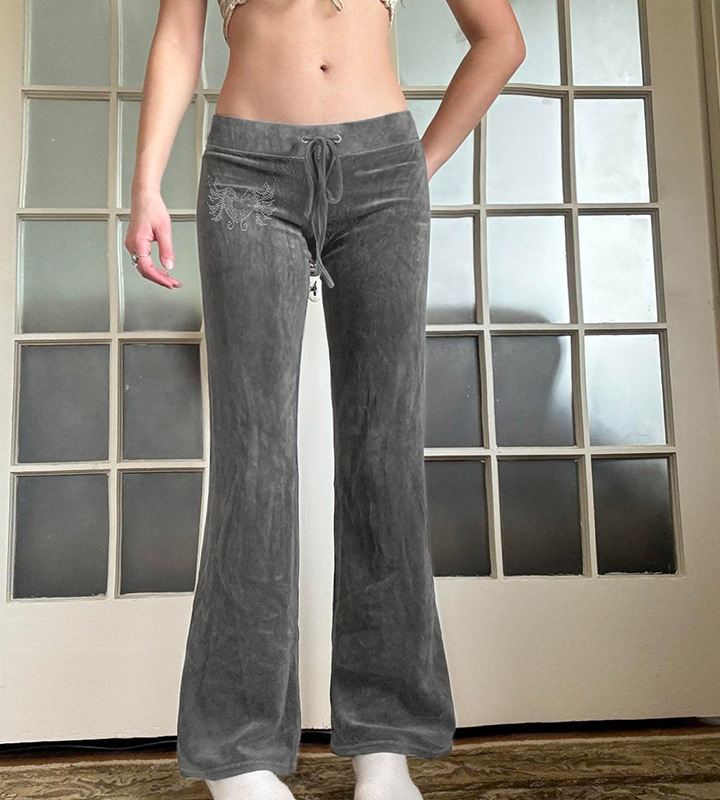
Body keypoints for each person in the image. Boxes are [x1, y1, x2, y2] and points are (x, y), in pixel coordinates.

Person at [125, 0, 524, 796]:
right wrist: (146, 184)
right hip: (247, 173)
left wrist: (416, 165)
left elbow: (501, 41)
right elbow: (178, 34)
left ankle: (386, 749)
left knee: (385, 457)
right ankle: (237, 756)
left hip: (382, 173)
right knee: (254, 460)